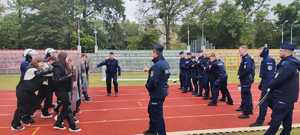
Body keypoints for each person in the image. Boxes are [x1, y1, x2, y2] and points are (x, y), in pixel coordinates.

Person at [264, 42, 300, 135]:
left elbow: (278, 79)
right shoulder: (293, 62)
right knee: (287, 124)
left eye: (281, 50)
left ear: (287, 51)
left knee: (274, 124)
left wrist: (269, 86)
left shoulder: (287, 64)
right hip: (289, 98)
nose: (279, 52)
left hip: (282, 97)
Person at [11, 58, 53, 131]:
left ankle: (25, 117)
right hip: (23, 91)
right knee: (22, 108)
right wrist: (51, 69)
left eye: (43, 62)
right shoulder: (31, 69)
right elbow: (40, 73)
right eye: (41, 62)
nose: (42, 64)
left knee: (36, 104)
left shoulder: (39, 71)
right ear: (36, 63)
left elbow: (46, 77)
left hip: (30, 92)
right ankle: (15, 124)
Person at [143, 44, 170, 135]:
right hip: (161, 91)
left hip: (157, 94)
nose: (152, 54)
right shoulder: (165, 63)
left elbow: (153, 82)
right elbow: (165, 75)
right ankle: (152, 130)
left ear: (156, 53)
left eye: (153, 52)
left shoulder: (157, 66)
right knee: (151, 110)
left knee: (157, 116)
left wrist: (147, 86)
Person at [52, 52, 81, 132]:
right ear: (63, 58)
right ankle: (72, 126)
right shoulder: (57, 67)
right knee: (67, 107)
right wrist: (68, 76)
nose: (67, 59)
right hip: (60, 90)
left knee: (66, 107)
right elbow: (57, 79)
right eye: (66, 57)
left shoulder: (63, 66)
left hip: (64, 90)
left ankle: (58, 123)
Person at [250, 46, 276, 127]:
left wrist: (267, 87)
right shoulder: (265, 59)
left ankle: (260, 121)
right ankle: (277, 118)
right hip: (266, 84)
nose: (258, 52)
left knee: (263, 103)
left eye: (260, 50)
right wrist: (261, 84)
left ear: (264, 51)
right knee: (271, 103)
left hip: (268, 85)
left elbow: (269, 75)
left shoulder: (268, 60)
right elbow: (265, 76)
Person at [237, 45, 255, 119]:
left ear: (244, 50)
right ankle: (248, 109)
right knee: (246, 95)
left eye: (240, 50)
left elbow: (247, 70)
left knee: (246, 95)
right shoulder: (245, 58)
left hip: (246, 79)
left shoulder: (247, 59)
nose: (239, 52)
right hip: (245, 79)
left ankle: (246, 113)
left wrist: (240, 75)